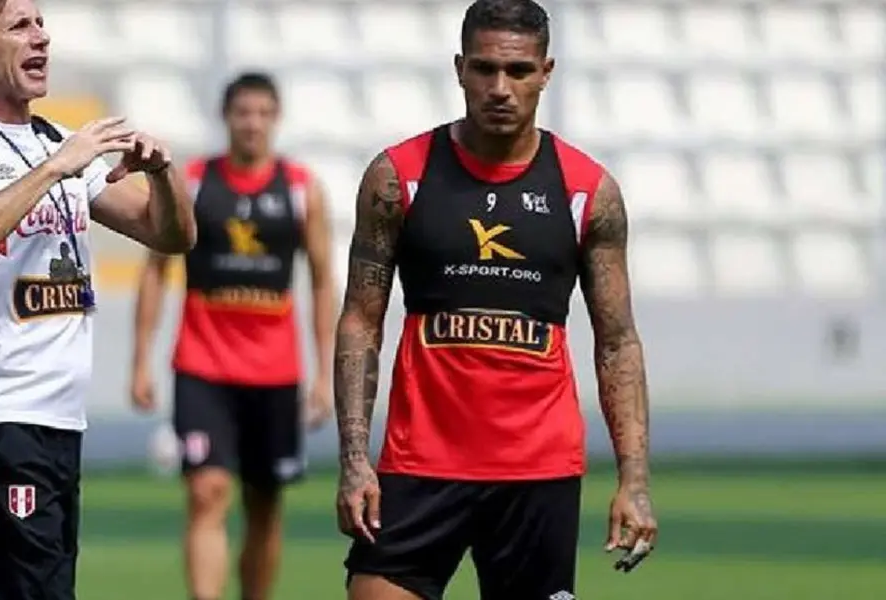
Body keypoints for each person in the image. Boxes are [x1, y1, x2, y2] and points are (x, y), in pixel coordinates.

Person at [332, 1, 658, 599]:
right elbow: (360, 322)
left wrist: (633, 478)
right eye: (484, 69)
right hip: (419, 463)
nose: (500, 88)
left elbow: (617, 341)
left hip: (537, 471)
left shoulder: (588, 191)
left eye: (518, 70)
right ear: (459, 69)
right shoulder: (398, 176)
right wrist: (354, 459)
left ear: (546, 71)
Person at [0, 0, 196, 599]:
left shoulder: (55, 140)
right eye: (19, 26)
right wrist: (58, 168)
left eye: (41, 23)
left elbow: (171, 235)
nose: (41, 38)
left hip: (58, 422)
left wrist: (163, 171)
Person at [129, 72, 337, 600]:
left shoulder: (299, 190)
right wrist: (140, 361)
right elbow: (156, 269)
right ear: (227, 117)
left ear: (276, 118)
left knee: (265, 503)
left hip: (275, 373)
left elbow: (321, 281)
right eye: (243, 112)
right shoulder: (195, 183)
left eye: (264, 113)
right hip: (203, 367)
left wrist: (324, 373)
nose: (253, 123)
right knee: (207, 490)